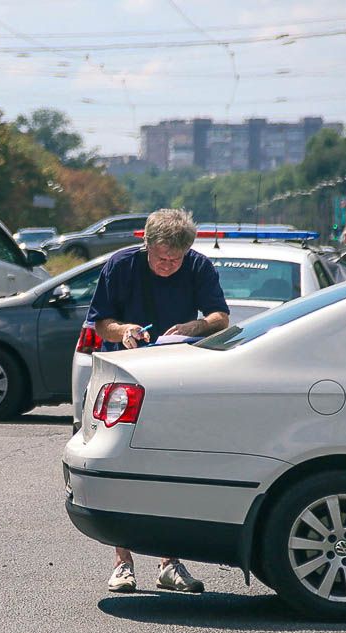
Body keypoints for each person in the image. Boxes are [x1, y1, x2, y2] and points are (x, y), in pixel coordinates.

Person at [84, 208, 231, 595]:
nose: (168, 265)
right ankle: (122, 562)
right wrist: (126, 329)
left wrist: (195, 326)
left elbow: (221, 317)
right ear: (146, 244)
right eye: (162, 257)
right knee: (120, 461)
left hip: (175, 374)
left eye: (175, 259)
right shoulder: (120, 265)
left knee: (172, 462)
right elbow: (101, 322)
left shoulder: (198, 265)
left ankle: (169, 561)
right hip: (125, 374)